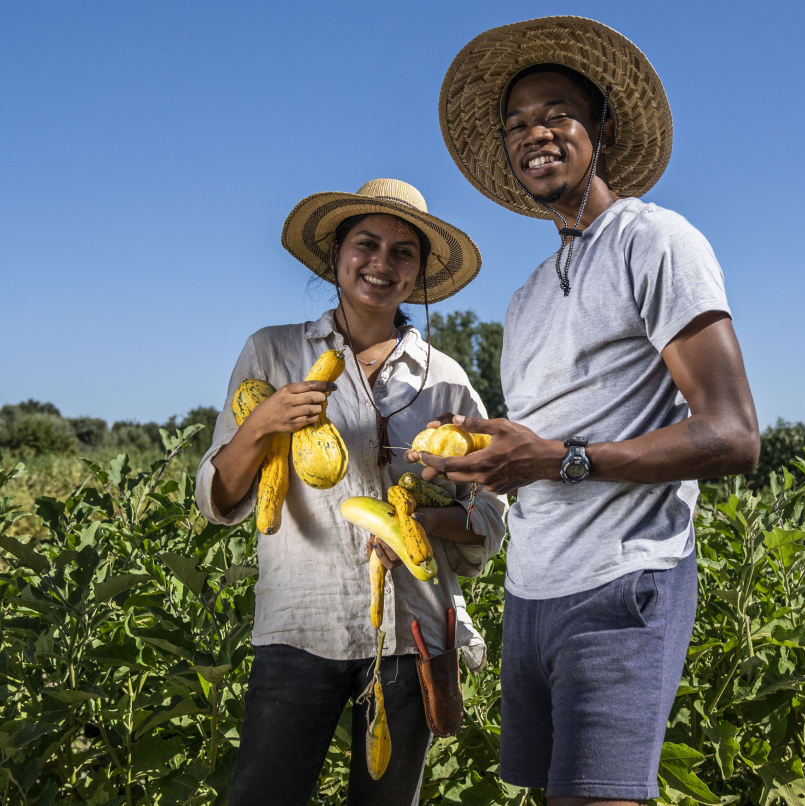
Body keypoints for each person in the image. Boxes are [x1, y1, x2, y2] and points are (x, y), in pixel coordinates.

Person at [412, 18, 761, 806]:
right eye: (516, 124)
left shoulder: (657, 242)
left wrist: (560, 459)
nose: (533, 133)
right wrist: (475, 458)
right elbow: (537, 440)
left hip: (624, 582)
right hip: (532, 595)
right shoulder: (527, 295)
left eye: (555, 113)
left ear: (602, 129)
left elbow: (735, 434)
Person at [196, 178, 506, 806]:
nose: (381, 263)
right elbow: (218, 497)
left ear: (418, 273)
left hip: (412, 633)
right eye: (366, 244)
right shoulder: (274, 352)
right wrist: (262, 424)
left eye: (402, 253)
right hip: (297, 625)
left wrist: (416, 524)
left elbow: (489, 515)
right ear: (337, 256)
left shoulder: (443, 379)